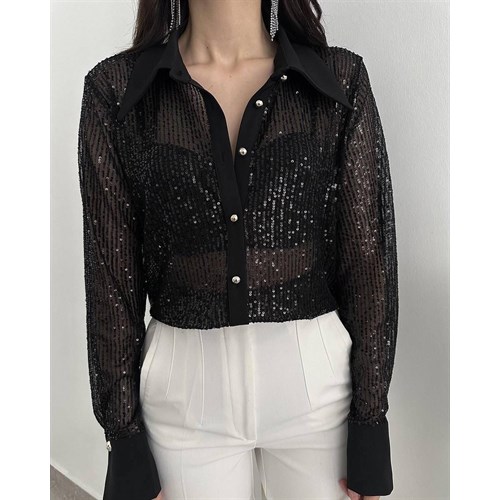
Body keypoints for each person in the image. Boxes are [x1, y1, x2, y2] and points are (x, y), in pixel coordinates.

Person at [77, 1, 399, 499]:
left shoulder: (339, 80)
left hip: (317, 390)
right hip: (182, 395)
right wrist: (122, 437)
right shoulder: (115, 92)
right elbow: (109, 279)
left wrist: (371, 423)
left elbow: (368, 260)